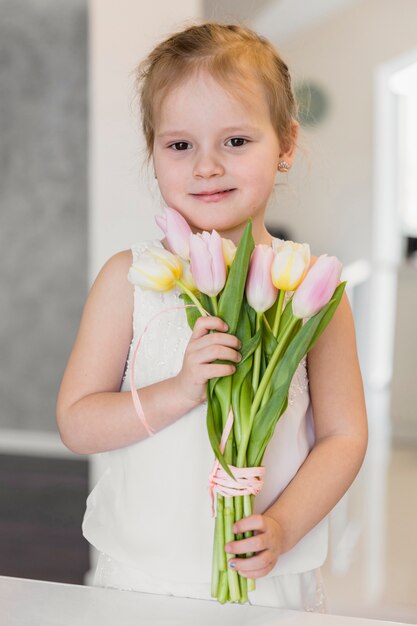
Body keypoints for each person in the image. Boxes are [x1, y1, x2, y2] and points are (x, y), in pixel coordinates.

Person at [56, 21, 368, 612]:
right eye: (180, 145)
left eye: (235, 141)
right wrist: (180, 389)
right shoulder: (129, 281)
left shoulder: (311, 289)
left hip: (268, 580)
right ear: (153, 152)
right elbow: (78, 422)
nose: (206, 166)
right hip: (141, 577)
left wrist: (283, 525)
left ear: (286, 144)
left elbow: (344, 435)